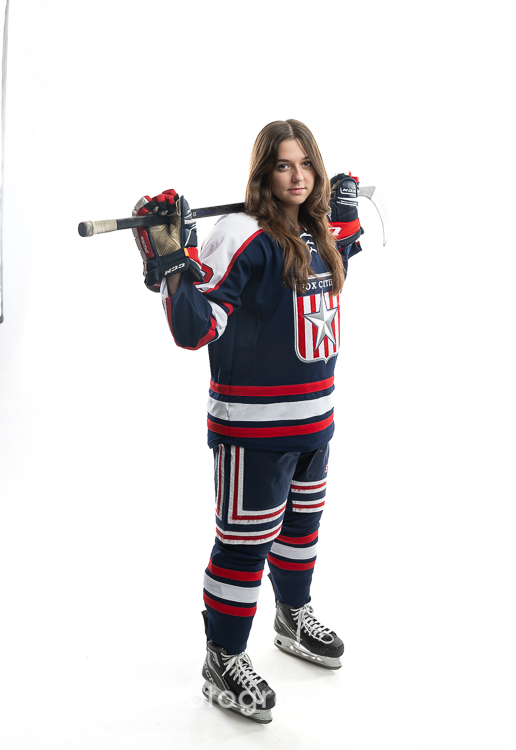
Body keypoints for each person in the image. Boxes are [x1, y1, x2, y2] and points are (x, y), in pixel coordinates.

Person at [132, 119, 364, 723]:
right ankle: (223, 657)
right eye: (284, 165)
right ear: (263, 172)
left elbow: (329, 281)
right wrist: (173, 261)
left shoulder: (315, 232)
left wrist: (343, 217)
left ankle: (292, 616)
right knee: (243, 547)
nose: (298, 176)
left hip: (315, 424)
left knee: (300, 532)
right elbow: (195, 328)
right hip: (254, 432)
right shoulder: (240, 233)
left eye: (306, 164)